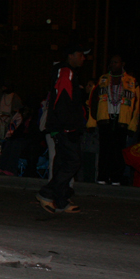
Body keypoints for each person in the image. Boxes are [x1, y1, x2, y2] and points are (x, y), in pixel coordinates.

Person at [37, 45, 89, 214]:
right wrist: (68, 126)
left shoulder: (65, 72)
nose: (83, 58)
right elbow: (63, 101)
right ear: (71, 54)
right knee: (73, 161)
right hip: (65, 128)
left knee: (61, 162)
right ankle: (47, 193)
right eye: (81, 54)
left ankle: (60, 200)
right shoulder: (66, 72)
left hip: (62, 127)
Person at [86, 54, 140, 185]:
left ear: (122, 64)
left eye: (115, 62)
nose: (112, 65)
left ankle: (116, 177)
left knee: (118, 150)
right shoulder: (103, 79)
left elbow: (137, 105)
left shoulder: (132, 81)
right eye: (111, 62)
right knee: (105, 149)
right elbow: (93, 101)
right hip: (105, 118)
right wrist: (92, 121)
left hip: (122, 120)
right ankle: (102, 176)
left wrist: (133, 125)